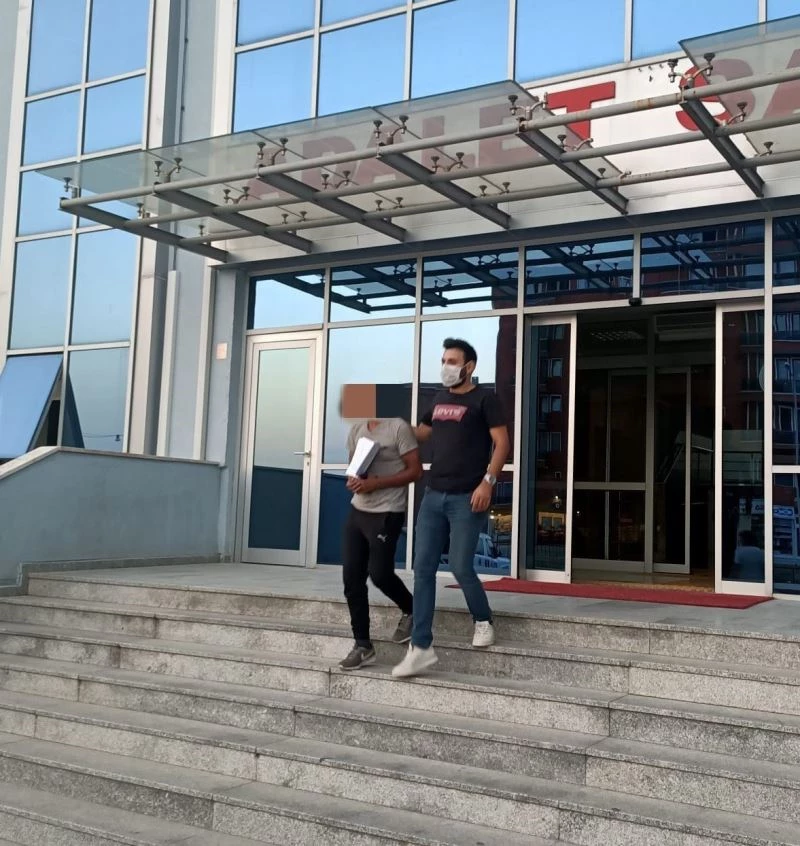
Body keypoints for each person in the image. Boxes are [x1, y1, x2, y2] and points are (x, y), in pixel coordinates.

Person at [392, 338, 510, 678]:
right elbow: (423, 433)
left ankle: (483, 619)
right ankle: (421, 647)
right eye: (444, 360)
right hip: (434, 495)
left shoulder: (485, 399)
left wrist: (488, 482)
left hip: (467, 497)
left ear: (469, 366)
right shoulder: (439, 398)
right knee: (423, 569)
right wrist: (393, 429)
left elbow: (502, 443)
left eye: (452, 361)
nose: (446, 366)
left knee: (460, 566)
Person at [339, 414, 422, 671]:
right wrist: (355, 480)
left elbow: (415, 471)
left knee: (380, 574)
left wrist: (377, 483)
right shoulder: (357, 429)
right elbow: (354, 466)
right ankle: (363, 645)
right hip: (358, 510)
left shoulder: (398, 428)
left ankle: (412, 609)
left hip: (388, 511)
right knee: (352, 579)